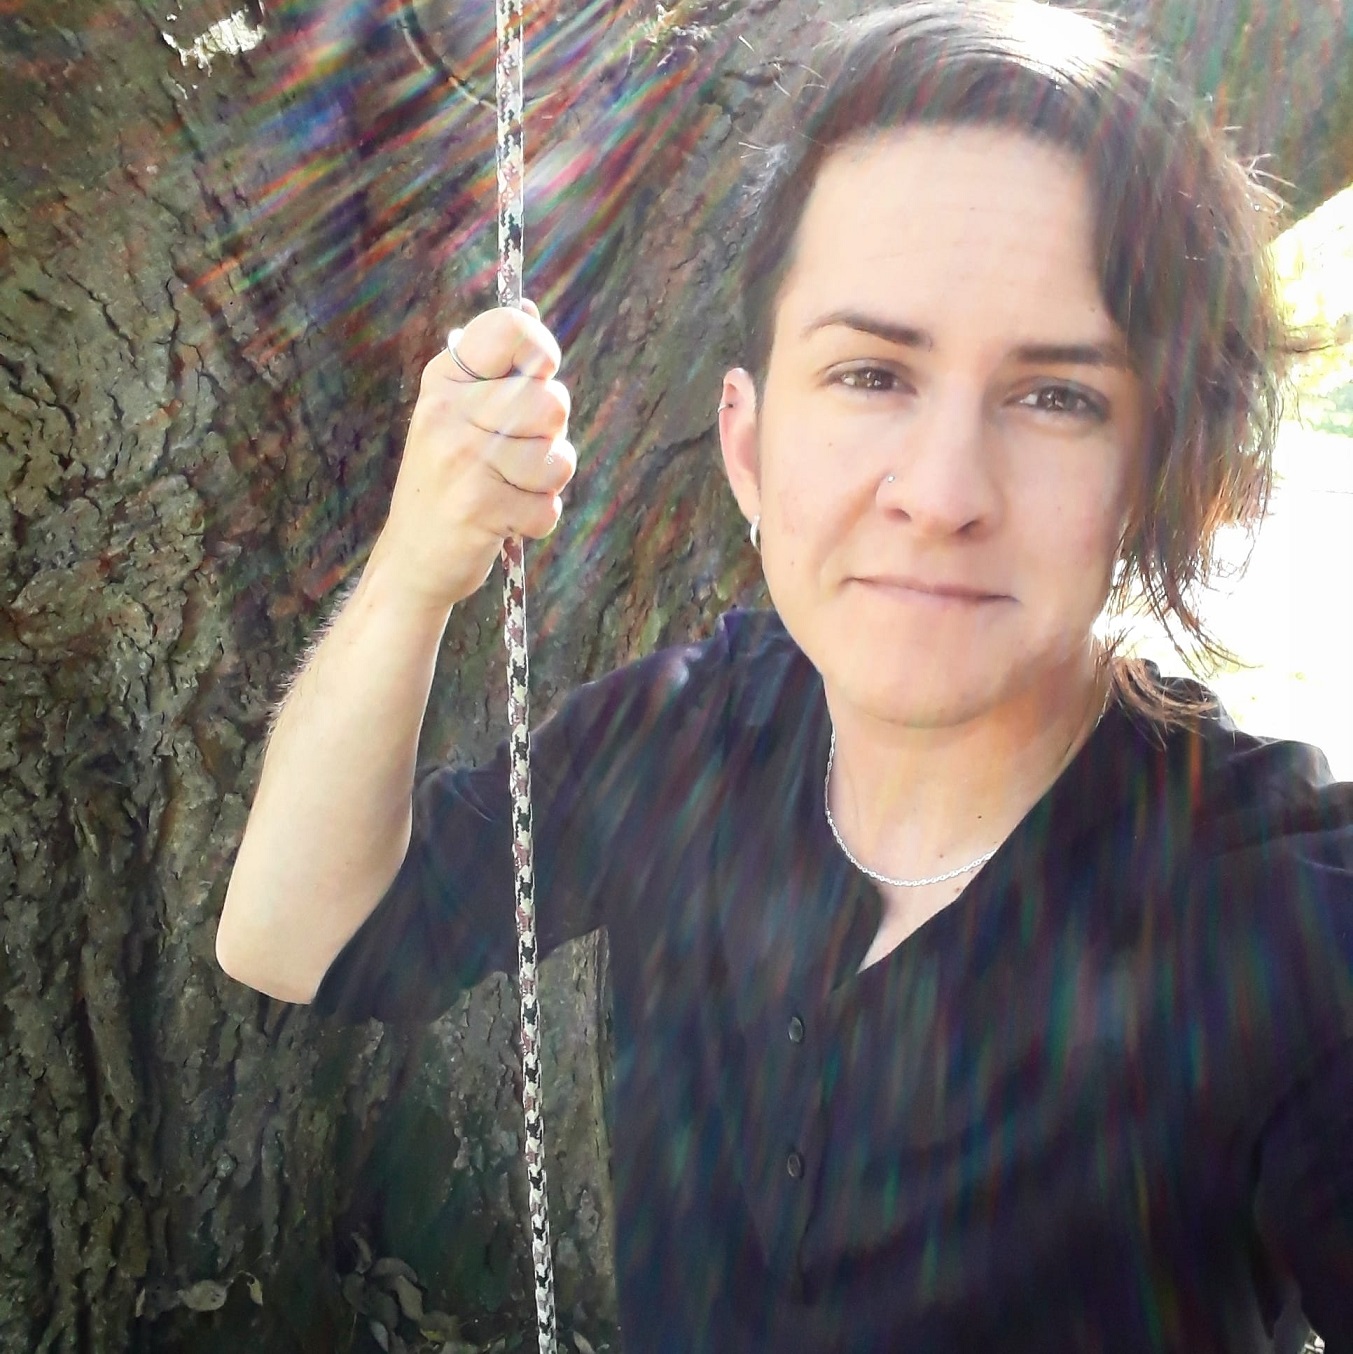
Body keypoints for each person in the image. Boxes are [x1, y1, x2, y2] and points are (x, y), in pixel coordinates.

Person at [216, 1, 1353, 1349]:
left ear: (1174, 471)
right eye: (871, 371)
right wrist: (415, 569)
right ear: (749, 450)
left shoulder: (1285, 930)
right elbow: (292, 939)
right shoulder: (684, 739)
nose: (937, 493)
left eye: (1056, 395)